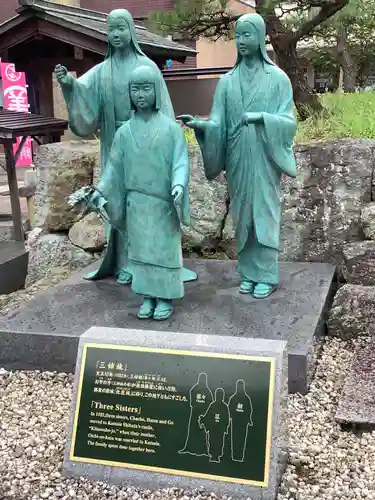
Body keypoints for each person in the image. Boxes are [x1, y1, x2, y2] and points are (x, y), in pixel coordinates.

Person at [55, 9, 196, 286]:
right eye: (111, 30)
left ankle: (146, 263)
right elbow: (83, 93)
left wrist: (165, 147)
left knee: (145, 206)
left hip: (145, 149)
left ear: (131, 31)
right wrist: (69, 85)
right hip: (115, 143)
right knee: (116, 201)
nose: (116, 34)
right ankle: (123, 260)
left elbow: (164, 112)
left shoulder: (147, 67)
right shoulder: (102, 71)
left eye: (121, 28)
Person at [179, 13, 297, 299]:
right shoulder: (227, 82)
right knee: (243, 215)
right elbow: (218, 122)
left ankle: (266, 274)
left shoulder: (278, 79)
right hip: (237, 157)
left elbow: (289, 121)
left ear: (260, 37)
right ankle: (248, 273)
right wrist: (203, 126)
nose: (242, 41)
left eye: (248, 35)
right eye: (239, 35)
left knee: (265, 213)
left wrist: (262, 118)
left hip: (264, 156)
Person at [87, 65, 190, 320]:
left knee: (163, 252)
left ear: (157, 91)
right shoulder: (123, 133)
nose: (141, 94)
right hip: (137, 203)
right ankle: (148, 296)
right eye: (135, 89)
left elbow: (181, 161)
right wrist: (100, 189)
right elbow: (113, 168)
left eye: (146, 88)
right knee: (141, 253)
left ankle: (165, 296)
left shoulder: (171, 130)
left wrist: (178, 184)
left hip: (163, 203)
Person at [179, 373, 214, 456]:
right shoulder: (196, 388)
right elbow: (191, 393)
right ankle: (189, 448)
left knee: (202, 432)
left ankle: (203, 450)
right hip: (195, 413)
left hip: (203, 415)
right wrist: (193, 404)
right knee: (192, 431)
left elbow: (210, 403)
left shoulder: (207, 390)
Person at [199, 388, 230, 463]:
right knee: (212, 441)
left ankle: (217, 455)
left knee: (219, 442)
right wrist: (203, 418)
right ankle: (213, 455)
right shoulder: (213, 405)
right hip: (213, 428)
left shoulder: (224, 406)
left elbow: (226, 418)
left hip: (220, 429)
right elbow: (208, 415)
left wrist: (224, 426)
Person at [228, 379, 253, 462]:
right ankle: (235, 456)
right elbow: (230, 409)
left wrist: (249, 419)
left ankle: (239, 456)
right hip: (237, 422)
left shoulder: (245, 398)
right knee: (236, 439)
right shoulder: (236, 398)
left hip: (241, 422)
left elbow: (249, 410)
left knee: (240, 439)